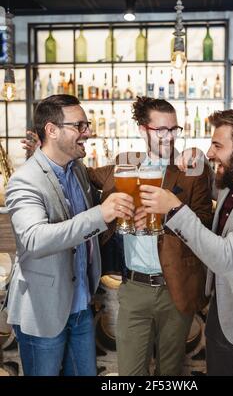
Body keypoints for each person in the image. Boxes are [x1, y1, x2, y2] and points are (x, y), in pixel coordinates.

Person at [138, 108, 233, 376]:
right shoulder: (231, 184)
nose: (211, 152)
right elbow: (205, 180)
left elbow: (225, 256)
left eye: (217, 145)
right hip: (221, 323)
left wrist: (174, 210)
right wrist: (194, 156)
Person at [5, 95, 135, 376]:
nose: (87, 132)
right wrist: (101, 214)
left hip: (81, 306)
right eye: (80, 125)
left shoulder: (77, 170)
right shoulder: (24, 180)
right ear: (52, 130)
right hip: (42, 311)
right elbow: (35, 239)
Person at [87, 97, 213, 376]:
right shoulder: (124, 165)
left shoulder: (192, 170)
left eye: (174, 129)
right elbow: (85, 175)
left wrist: (168, 216)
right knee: (130, 372)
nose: (169, 137)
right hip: (133, 288)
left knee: (171, 372)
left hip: (175, 286)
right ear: (143, 130)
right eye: (161, 130)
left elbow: (204, 223)